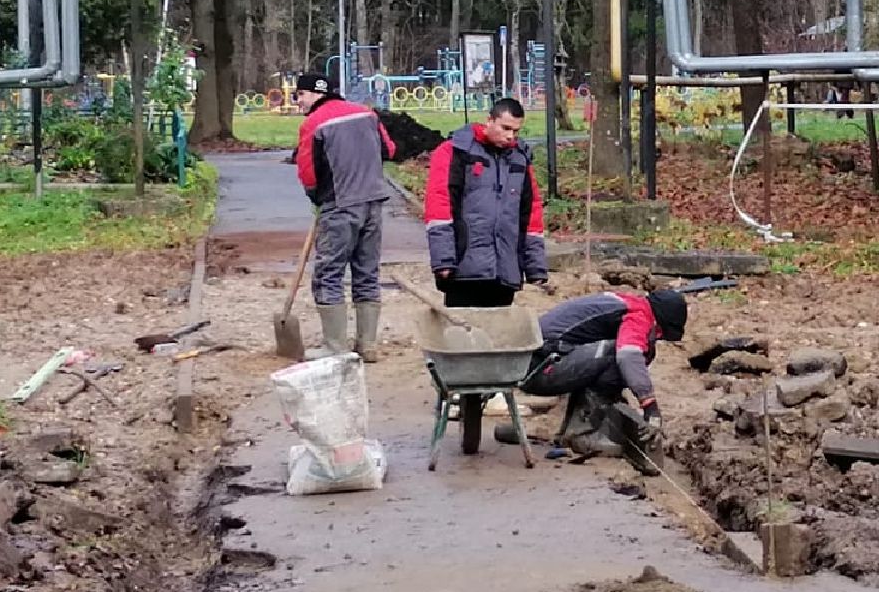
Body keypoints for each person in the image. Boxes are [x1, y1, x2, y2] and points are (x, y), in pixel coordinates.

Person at [294, 71, 399, 361]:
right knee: (367, 273)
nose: (299, 102)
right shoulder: (366, 114)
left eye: (300, 95)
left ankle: (335, 347)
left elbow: (308, 172)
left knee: (329, 274)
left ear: (315, 94)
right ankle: (368, 345)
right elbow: (389, 149)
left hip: (339, 206)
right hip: (374, 202)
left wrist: (317, 199)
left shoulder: (313, 124)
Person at [521, 289, 687, 456]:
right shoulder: (639, 315)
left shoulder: (626, 302)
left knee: (623, 355)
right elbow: (628, 355)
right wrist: (650, 406)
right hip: (539, 369)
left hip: (528, 365)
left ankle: (575, 430)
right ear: (661, 321)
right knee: (618, 354)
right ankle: (582, 435)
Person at [422, 97, 547, 307]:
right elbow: (439, 207)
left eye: (516, 131)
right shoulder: (455, 152)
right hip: (464, 269)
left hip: (505, 270)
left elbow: (530, 215)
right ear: (489, 120)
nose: (510, 136)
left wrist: (535, 267)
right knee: (463, 333)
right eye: (505, 128)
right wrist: (444, 260)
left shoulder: (520, 159)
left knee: (499, 334)